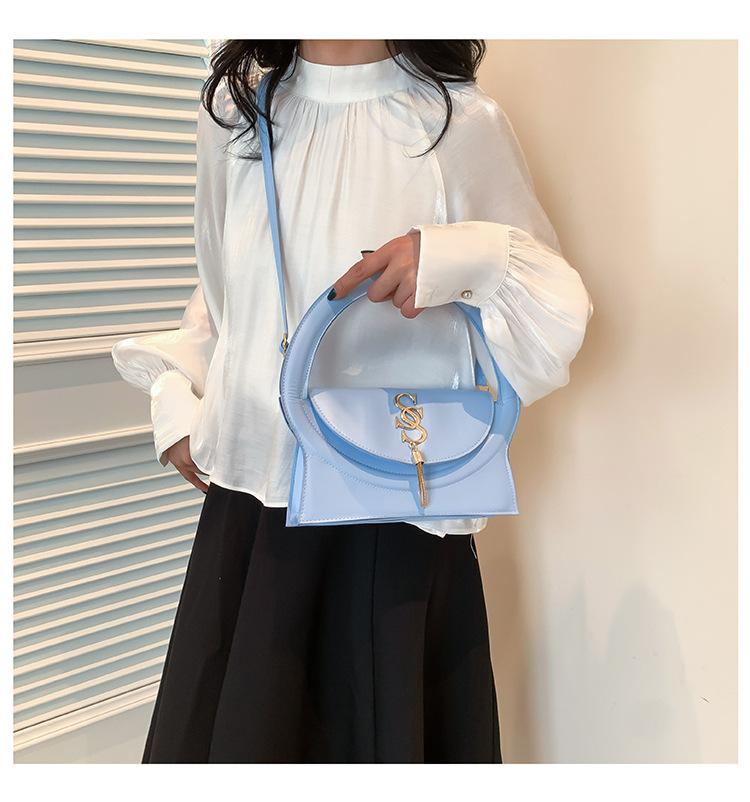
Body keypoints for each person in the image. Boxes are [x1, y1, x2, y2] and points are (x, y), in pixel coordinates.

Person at [111, 39, 593, 763]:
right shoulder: (236, 117)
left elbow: (551, 320)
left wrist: (456, 254)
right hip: (252, 514)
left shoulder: (459, 122)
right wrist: (177, 393)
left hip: (395, 510)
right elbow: (224, 294)